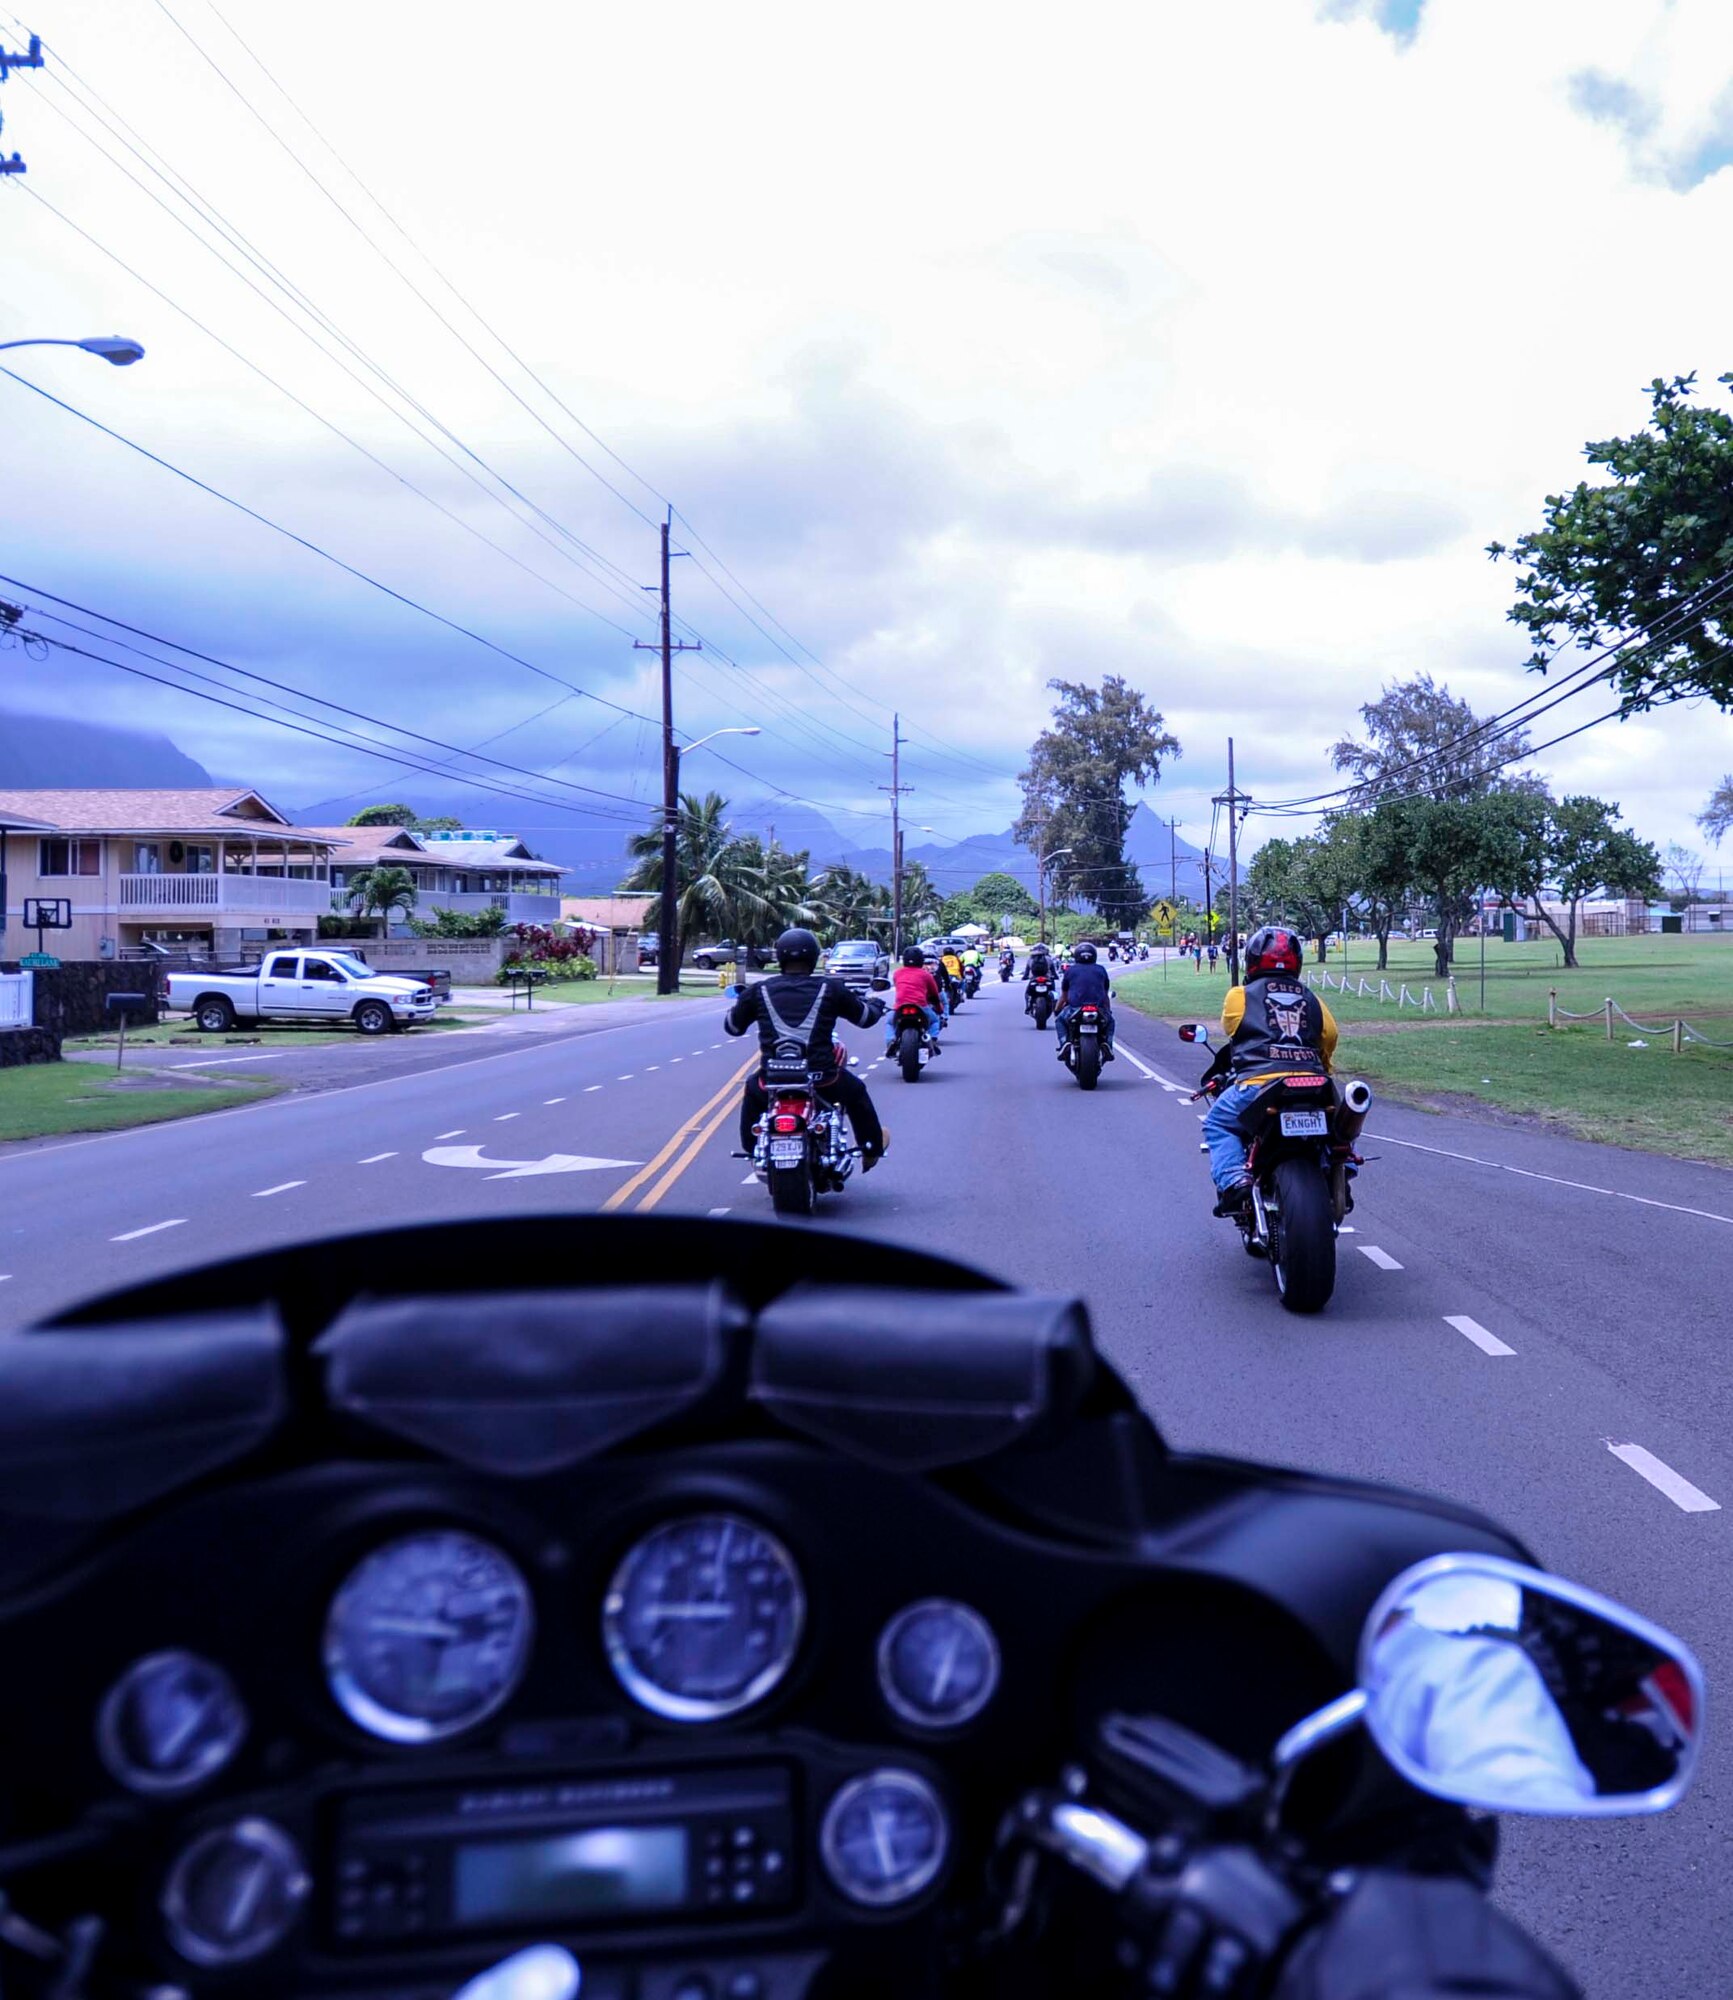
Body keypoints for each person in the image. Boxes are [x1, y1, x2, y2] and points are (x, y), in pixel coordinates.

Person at [725, 927, 889, 1170]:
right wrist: (875, 1004)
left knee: (752, 1089)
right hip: (823, 1077)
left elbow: (733, 1027)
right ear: (813, 958)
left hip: (772, 1079)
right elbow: (865, 1019)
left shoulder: (759, 990)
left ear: (780, 957)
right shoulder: (830, 988)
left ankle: (752, 1150)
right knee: (856, 1092)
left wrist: (741, 1004)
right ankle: (871, 1148)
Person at [1201, 925, 1338, 1213]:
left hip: (1259, 1083)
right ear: (1297, 962)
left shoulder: (1240, 995)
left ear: (1251, 960)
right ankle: (1340, 1171)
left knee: (1218, 1123)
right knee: (1339, 1134)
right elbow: (1330, 1036)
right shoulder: (1313, 998)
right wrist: (1321, 1066)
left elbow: (1232, 1029)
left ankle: (1234, 1180)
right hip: (1315, 1083)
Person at [1053, 938, 1115, 1060]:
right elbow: (1104, 993)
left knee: (1059, 1020)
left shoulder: (1070, 970)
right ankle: (1108, 1044)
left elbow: (1064, 996)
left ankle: (1064, 1042)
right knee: (1111, 1022)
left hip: (1075, 1008)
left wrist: (1057, 1010)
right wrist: (1108, 1011)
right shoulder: (1101, 970)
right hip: (1098, 1008)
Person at [885, 944, 944, 1057]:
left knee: (889, 1022)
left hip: (900, 1006)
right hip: (921, 1006)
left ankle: (890, 1040)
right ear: (921, 960)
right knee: (935, 1021)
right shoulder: (926, 975)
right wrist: (939, 1009)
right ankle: (931, 1040)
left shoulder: (897, 973)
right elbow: (934, 994)